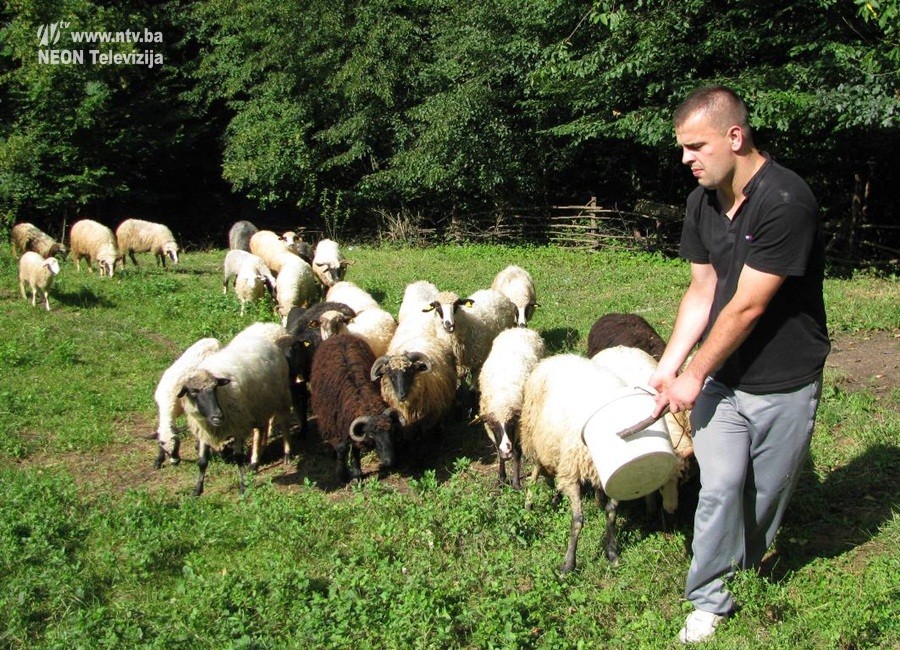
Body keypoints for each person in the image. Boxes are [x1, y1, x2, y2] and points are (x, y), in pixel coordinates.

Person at [648, 85, 830, 644]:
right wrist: (669, 365)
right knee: (721, 487)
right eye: (682, 148)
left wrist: (693, 373)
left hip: (783, 381)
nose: (686, 159)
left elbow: (749, 304)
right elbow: (703, 290)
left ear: (735, 136)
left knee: (765, 497)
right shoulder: (702, 202)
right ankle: (709, 596)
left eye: (696, 146)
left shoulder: (785, 201)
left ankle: (745, 563)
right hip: (723, 382)